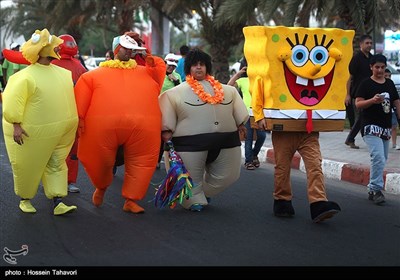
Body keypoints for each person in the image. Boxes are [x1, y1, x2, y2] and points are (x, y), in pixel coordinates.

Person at [74, 34, 166, 214]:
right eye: (125, 48)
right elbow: (80, 99)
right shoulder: (92, 76)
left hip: (143, 129)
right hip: (102, 129)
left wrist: (148, 56)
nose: (129, 51)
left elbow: (159, 72)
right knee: (98, 160)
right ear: (116, 50)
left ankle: (131, 200)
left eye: (131, 49)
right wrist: (79, 120)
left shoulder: (146, 72)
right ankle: (101, 187)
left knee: (142, 162)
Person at [159, 48, 249, 211]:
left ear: (207, 66)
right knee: (191, 175)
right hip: (189, 144)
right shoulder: (174, 94)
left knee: (229, 175)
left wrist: (241, 124)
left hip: (226, 142)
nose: (198, 68)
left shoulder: (228, 91)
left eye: (201, 64)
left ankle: (199, 190)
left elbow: (240, 115)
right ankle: (193, 197)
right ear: (188, 68)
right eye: (194, 65)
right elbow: (166, 116)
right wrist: (166, 132)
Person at [2, 28, 78, 215]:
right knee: (27, 164)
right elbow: (12, 103)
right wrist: (16, 125)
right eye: (55, 47)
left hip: (60, 131)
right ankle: (25, 198)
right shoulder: (24, 77)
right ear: (42, 51)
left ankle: (58, 200)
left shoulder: (62, 73)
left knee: (57, 163)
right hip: (30, 132)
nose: (59, 49)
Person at [355, 54, 400, 204]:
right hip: (370, 126)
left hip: (385, 127)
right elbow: (358, 104)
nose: (380, 70)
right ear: (371, 68)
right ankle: (376, 189)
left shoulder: (389, 84)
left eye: (382, 67)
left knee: (382, 158)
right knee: (378, 157)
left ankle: (372, 188)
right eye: (377, 67)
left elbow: (396, 102)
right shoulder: (365, 84)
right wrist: (372, 100)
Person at [52, 34, 88, 193]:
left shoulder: (52, 63)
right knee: (67, 150)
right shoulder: (78, 66)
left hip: (63, 114)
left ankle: (62, 180)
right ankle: (66, 181)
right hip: (68, 114)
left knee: (62, 149)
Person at [228, 57, 266, 170]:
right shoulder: (242, 81)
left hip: (259, 113)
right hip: (246, 113)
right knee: (248, 137)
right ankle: (249, 161)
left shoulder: (261, 79)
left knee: (262, 136)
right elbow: (229, 86)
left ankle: (254, 154)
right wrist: (238, 74)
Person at [345, 35, 373, 149]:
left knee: (365, 115)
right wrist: (348, 94)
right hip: (358, 92)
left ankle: (355, 138)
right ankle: (352, 138)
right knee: (363, 115)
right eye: (367, 43)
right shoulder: (356, 59)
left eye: (370, 43)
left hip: (369, 91)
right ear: (361, 44)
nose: (369, 45)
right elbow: (349, 77)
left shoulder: (372, 58)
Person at [384, 68, 400, 150]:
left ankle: (394, 143)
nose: (388, 77)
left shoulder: (391, 85)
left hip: (392, 109)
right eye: (386, 75)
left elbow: (396, 98)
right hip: (382, 110)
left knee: (394, 126)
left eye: (389, 76)